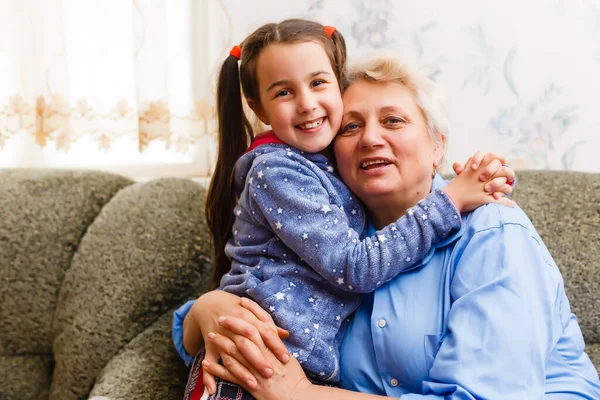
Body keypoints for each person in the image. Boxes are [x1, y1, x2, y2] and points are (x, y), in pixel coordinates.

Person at [195, 53, 600, 399]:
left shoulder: (492, 231)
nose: (370, 138)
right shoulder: (338, 243)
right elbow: (219, 316)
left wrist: (304, 394)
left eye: (393, 121)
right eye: (351, 127)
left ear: (437, 145)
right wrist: (209, 308)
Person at [175, 18, 516, 399]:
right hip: (248, 371)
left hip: (300, 375)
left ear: (438, 143)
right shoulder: (280, 170)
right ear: (259, 108)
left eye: (318, 82)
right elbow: (353, 266)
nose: (306, 104)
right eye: (284, 92)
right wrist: (206, 307)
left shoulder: (340, 182)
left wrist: (486, 176)